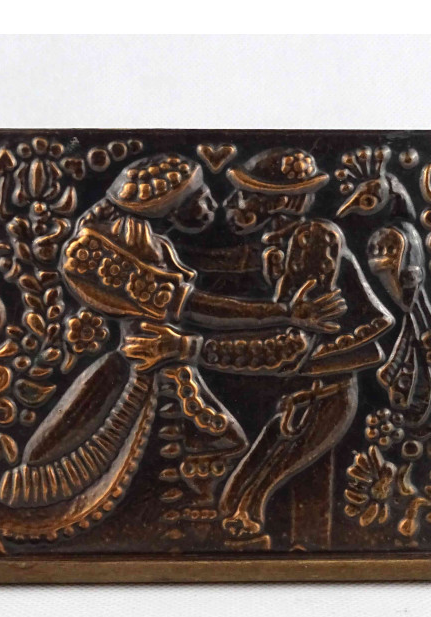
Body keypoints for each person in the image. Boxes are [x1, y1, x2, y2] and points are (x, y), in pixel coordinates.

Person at [0, 153, 345, 543]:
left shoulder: (150, 243)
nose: (214, 203)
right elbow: (196, 308)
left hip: (165, 360)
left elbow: (218, 274)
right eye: (200, 196)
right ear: (169, 205)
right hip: (147, 367)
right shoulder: (102, 254)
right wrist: (284, 313)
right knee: (140, 465)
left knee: (188, 459)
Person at [125, 148, 396, 548]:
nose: (232, 202)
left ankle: (302, 571)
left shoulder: (314, 240)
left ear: (280, 202)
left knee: (242, 510)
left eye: (247, 193)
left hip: (320, 396)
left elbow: (288, 349)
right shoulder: (279, 241)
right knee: (240, 506)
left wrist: (188, 347)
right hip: (301, 397)